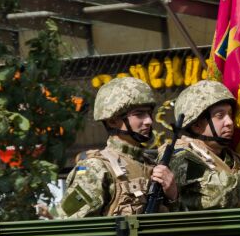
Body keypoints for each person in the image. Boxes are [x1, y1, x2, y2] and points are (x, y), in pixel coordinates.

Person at [60, 77, 178, 218]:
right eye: (139, 114)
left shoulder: (153, 165)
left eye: (149, 113)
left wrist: (172, 195)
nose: (149, 121)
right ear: (112, 121)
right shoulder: (96, 168)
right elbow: (69, 225)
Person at [169, 80, 240, 212]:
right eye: (220, 116)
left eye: (229, 114)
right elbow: (208, 194)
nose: (229, 122)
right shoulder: (179, 155)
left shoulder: (236, 160)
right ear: (196, 125)